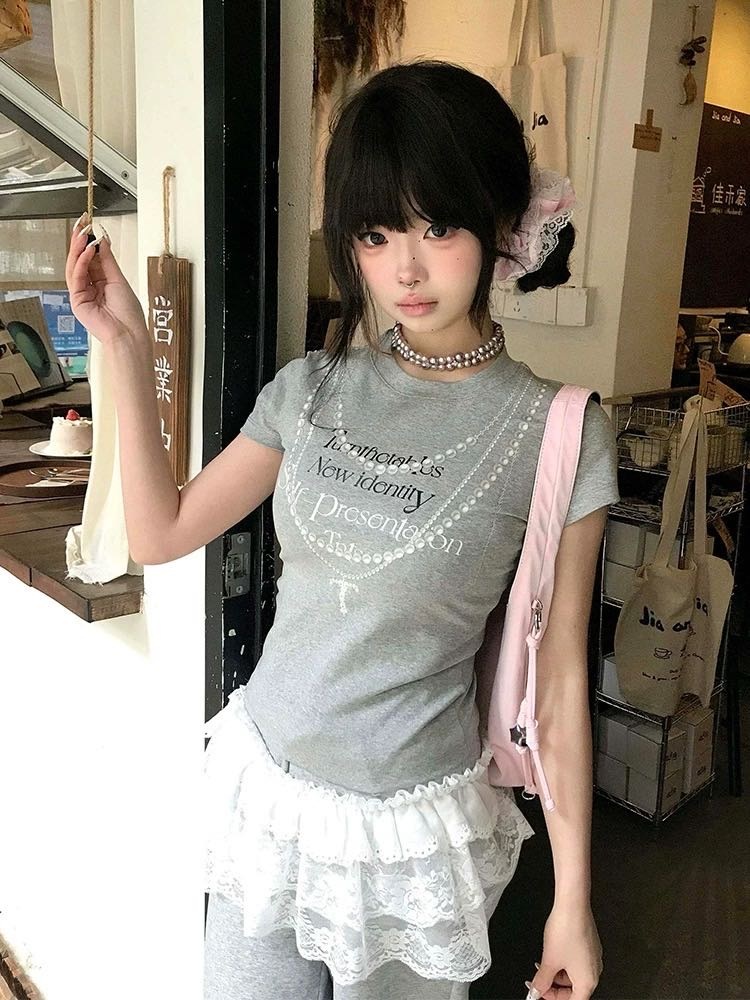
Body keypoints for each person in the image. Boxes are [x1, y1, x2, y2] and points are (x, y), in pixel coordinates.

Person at [66, 60, 619, 1000]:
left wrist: (573, 903)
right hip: (269, 804)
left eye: (438, 227)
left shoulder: (560, 430)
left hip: (411, 836)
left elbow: (561, 682)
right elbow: (160, 533)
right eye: (375, 233)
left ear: (498, 219)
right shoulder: (311, 390)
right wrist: (120, 341)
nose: (405, 269)